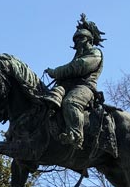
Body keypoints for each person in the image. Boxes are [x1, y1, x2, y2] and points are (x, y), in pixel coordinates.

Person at [44, 13, 105, 149]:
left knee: (71, 102)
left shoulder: (95, 53)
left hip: (85, 87)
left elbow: (78, 67)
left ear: (89, 40)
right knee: (49, 99)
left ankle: (76, 135)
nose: (77, 41)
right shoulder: (78, 55)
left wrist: (55, 72)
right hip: (69, 86)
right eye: (76, 39)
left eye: (81, 38)